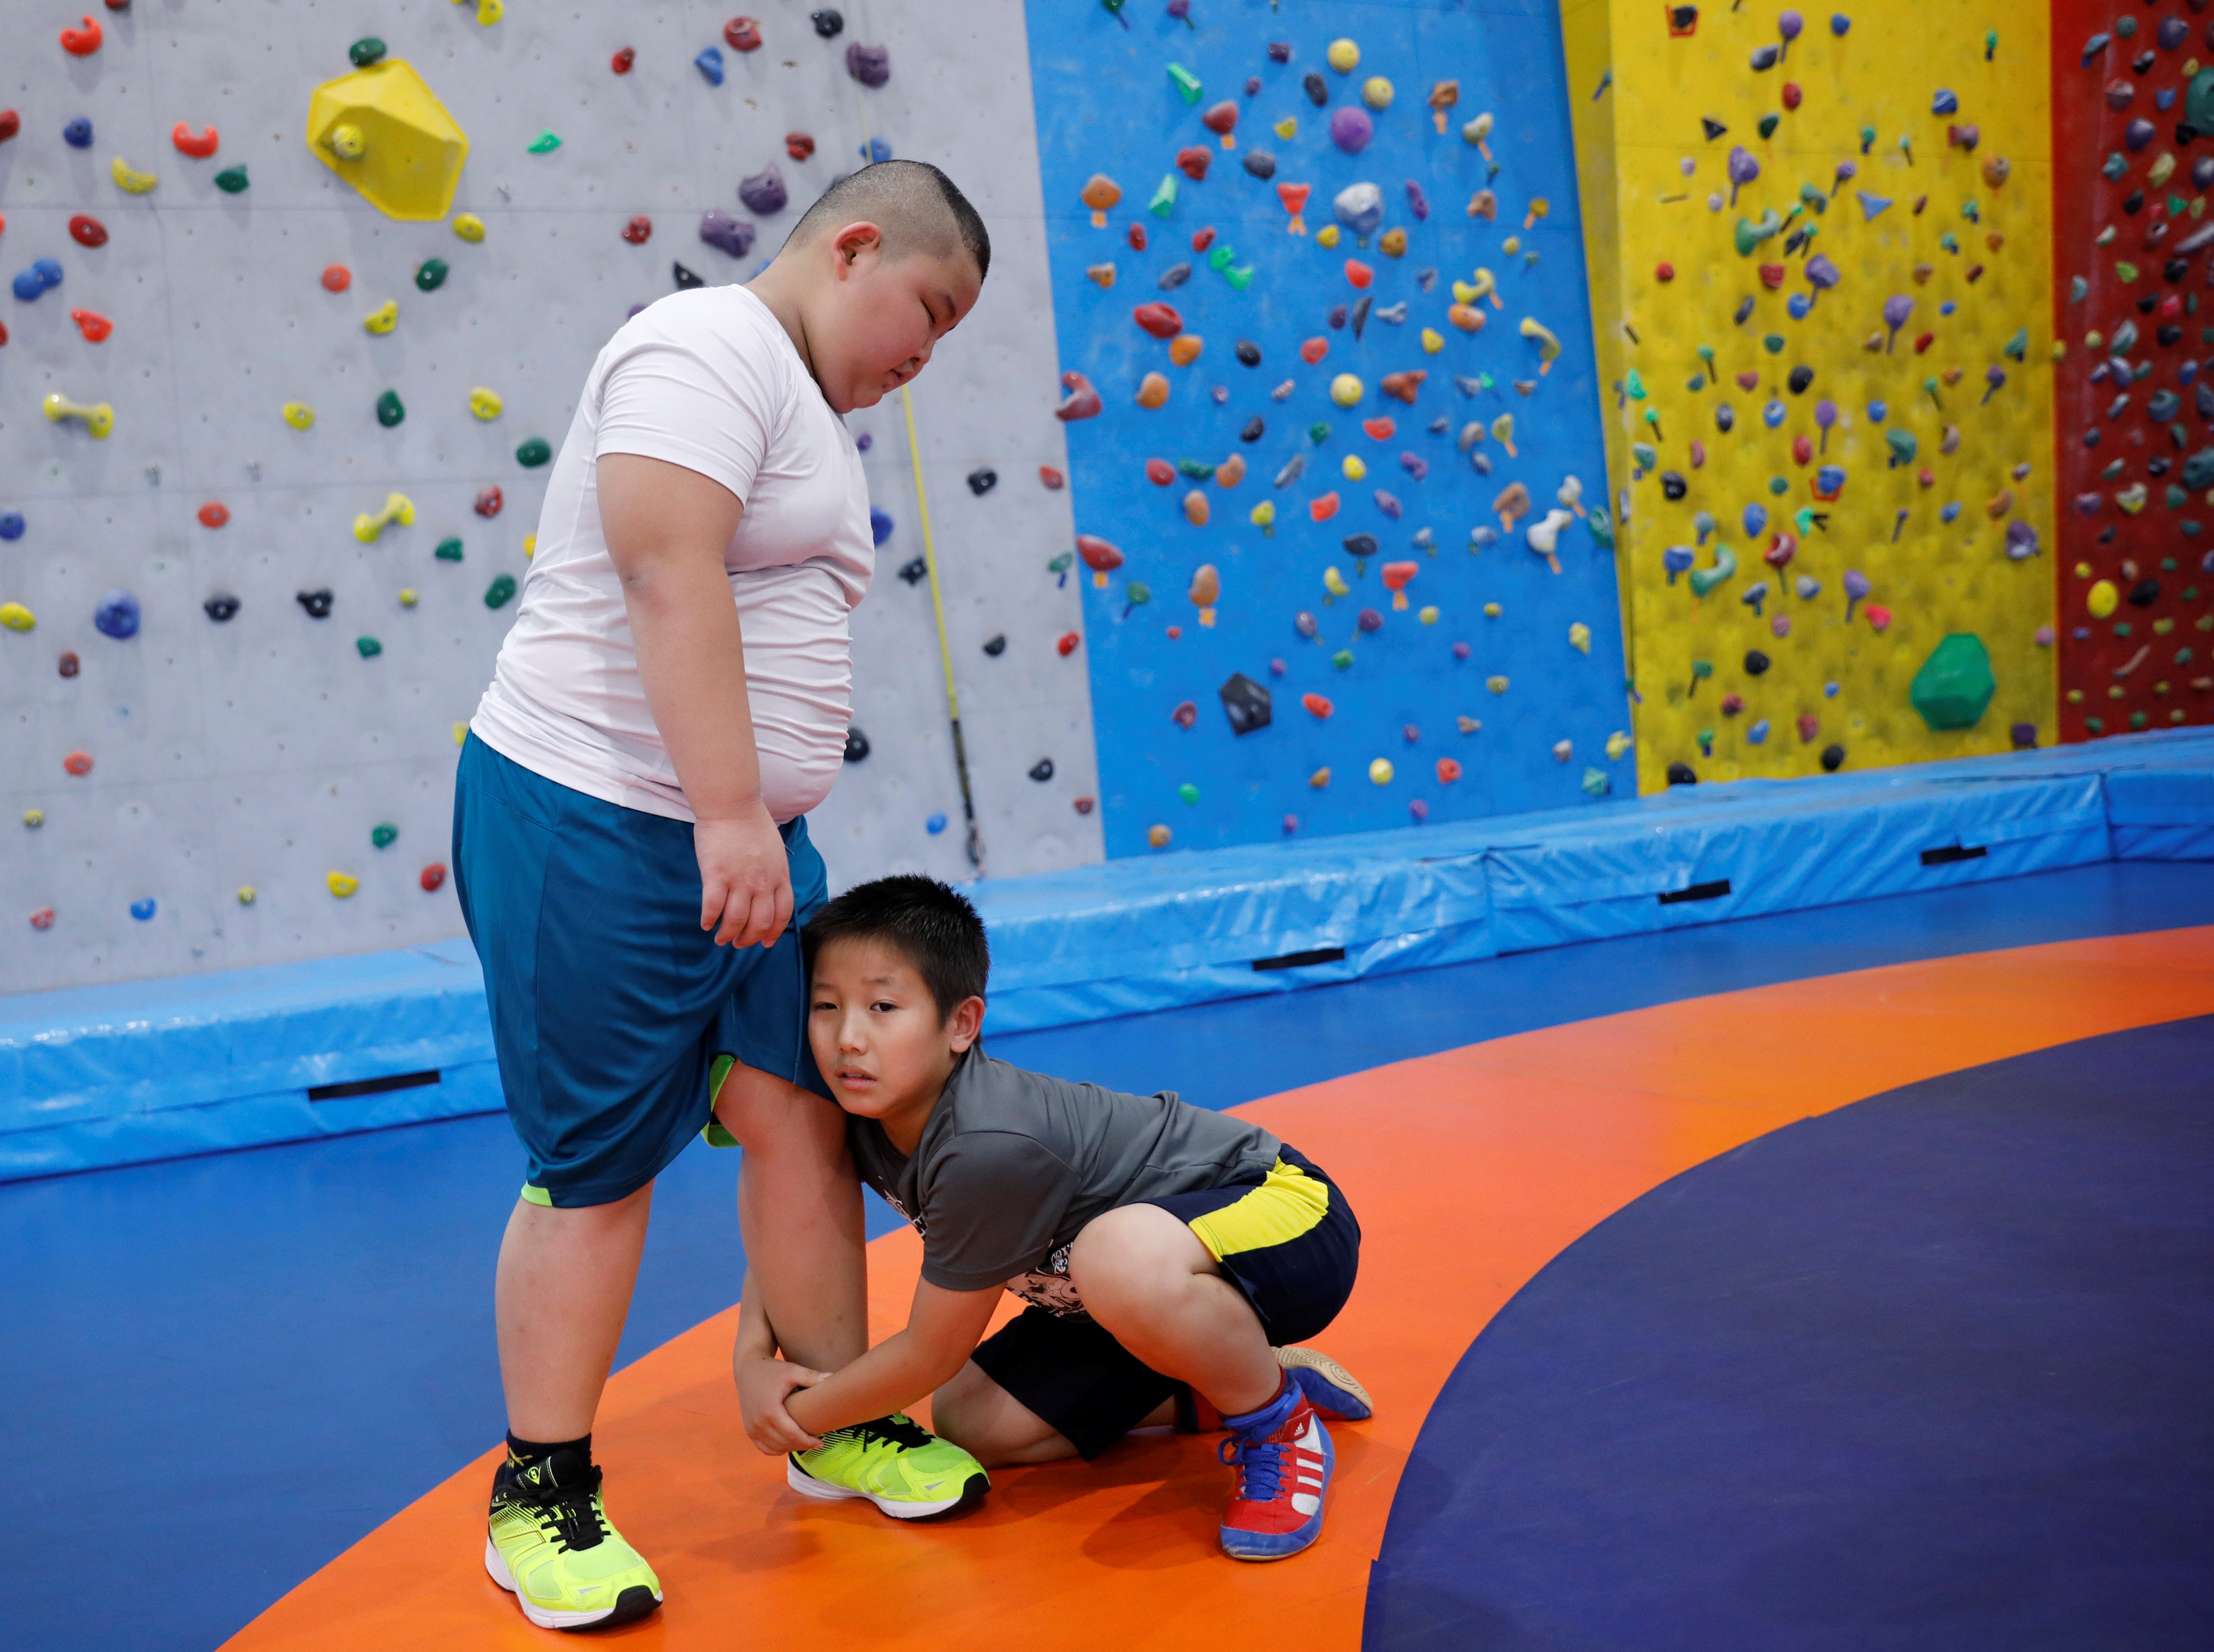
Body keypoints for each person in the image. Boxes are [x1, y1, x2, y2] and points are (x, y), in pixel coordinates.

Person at [451, 161, 990, 1631]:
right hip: (606, 817)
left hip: (727, 828)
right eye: (926, 313)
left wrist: (756, 814)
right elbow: (665, 571)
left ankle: (835, 1416)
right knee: (597, 1167)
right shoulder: (702, 348)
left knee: (805, 1106)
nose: (921, 357)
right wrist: (732, 807)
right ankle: (538, 1492)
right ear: (855, 244)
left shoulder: (801, 401)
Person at [735, 876, 1372, 1562]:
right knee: (972, 1421)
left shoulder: (988, 1147)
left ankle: (1279, 1428)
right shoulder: (859, 1112)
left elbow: (928, 1351)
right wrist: (750, 1361)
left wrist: (793, 1420)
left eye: (883, 1007)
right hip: (1128, 1289)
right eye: (826, 1007)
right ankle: (1229, 1377)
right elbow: (789, 1236)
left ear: (961, 1024)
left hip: (1288, 1216)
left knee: (1115, 1257)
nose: (848, 1038)